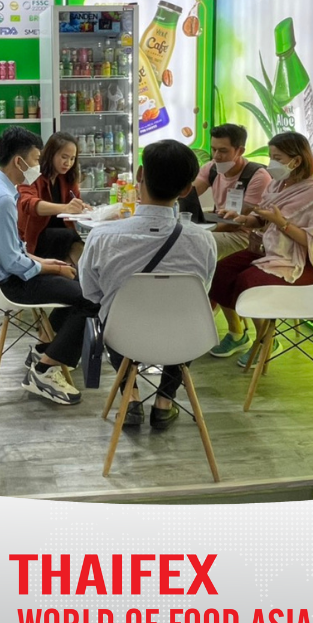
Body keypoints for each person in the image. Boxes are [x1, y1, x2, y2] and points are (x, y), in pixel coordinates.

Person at [79, 140, 217, 429]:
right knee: (182, 313)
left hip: (123, 338)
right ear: (186, 190)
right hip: (184, 339)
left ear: (140, 175)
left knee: (113, 310)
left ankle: (130, 399)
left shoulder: (101, 237)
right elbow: (200, 294)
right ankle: (165, 402)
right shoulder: (203, 240)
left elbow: (90, 292)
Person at [0, 127, 100, 406]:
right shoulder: (2, 200)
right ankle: (45, 369)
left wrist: (44, 261)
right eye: (36, 159)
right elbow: (12, 262)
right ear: (19, 161)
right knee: (91, 297)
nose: (38, 165)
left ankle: (49, 349)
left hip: (9, 275)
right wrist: (54, 269)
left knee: (78, 286)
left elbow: (12, 250)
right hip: (12, 284)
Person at [208, 131, 313, 367]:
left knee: (248, 282)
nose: (271, 163)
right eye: (270, 157)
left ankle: (266, 341)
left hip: (301, 261)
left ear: (296, 160)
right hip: (267, 250)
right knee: (220, 273)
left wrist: (282, 223)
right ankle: (237, 334)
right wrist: (241, 219)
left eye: (277, 158)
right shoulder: (277, 185)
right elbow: (263, 220)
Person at [190, 123, 272, 358]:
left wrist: (202, 230)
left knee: (200, 248)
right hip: (219, 230)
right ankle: (233, 330)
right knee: (198, 249)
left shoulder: (257, 177)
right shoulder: (211, 168)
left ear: (240, 150)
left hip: (248, 238)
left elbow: (239, 223)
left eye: (223, 151)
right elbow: (189, 194)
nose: (217, 156)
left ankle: (249, 334)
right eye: (214, 149)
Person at [17, 131, 87, 266]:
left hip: (62, 236)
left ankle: (81, 273)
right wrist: (65, 208)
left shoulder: (68, 177)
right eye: (64, 157)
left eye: (72, 159)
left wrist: (82, 207)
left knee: (72, 242)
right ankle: (88, 274)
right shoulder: (34, 174)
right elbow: (28, 203)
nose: (68, 163)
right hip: (36, 238)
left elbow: (75, 200)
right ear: (51, 154)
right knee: (70, 238)